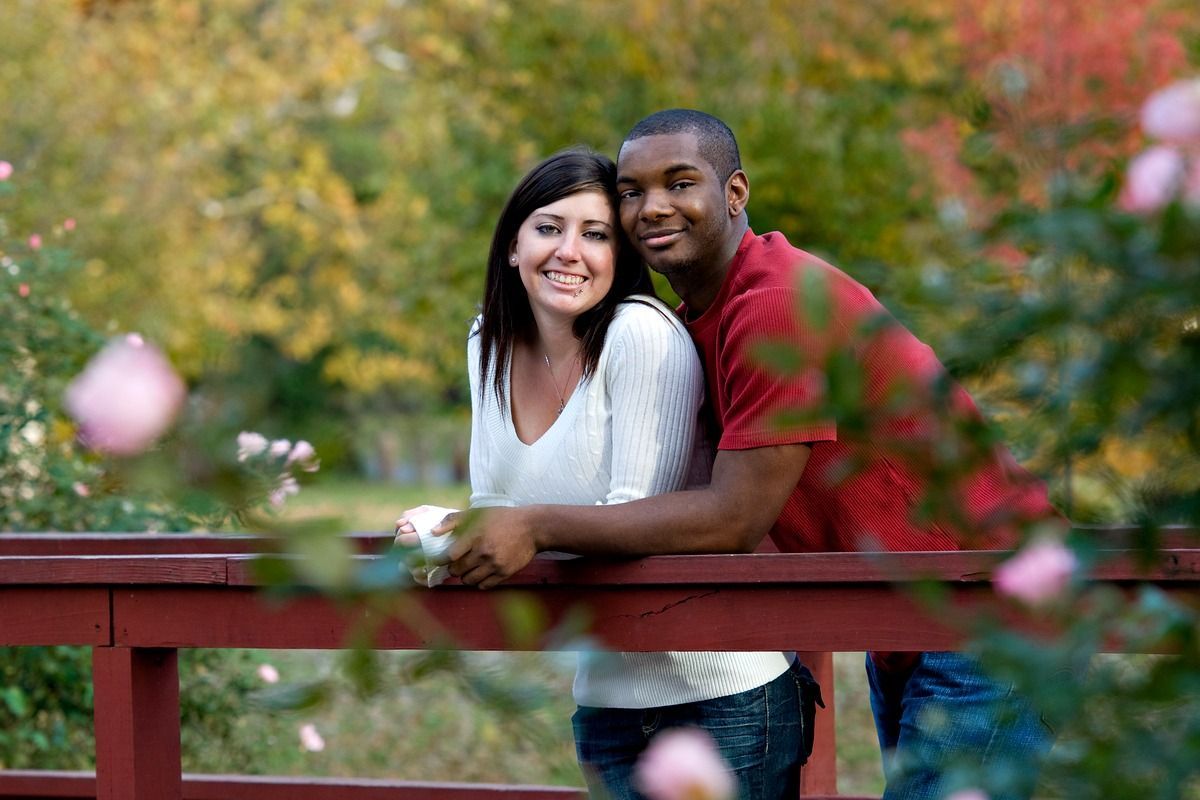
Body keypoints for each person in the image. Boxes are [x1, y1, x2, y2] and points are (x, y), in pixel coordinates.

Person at [434, 113, 1062, 800]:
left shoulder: (775, 303)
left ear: (735, 194)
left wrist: (536, 525)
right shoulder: (701, 316)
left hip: (995, 601)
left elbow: (734, 518)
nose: (654, 207)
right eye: (632, 191)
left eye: (680, 183)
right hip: (914, 607)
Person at [394, 148, 808, 799]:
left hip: (716, 695)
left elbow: (629, 524)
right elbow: (496, 504)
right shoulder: (488, 344)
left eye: (596, 235)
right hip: (606, 698)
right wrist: (434, 532)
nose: (570, 252)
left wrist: (499, 529)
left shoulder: (640, 337)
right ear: (511, 246)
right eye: (549, 228)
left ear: (621, 259)